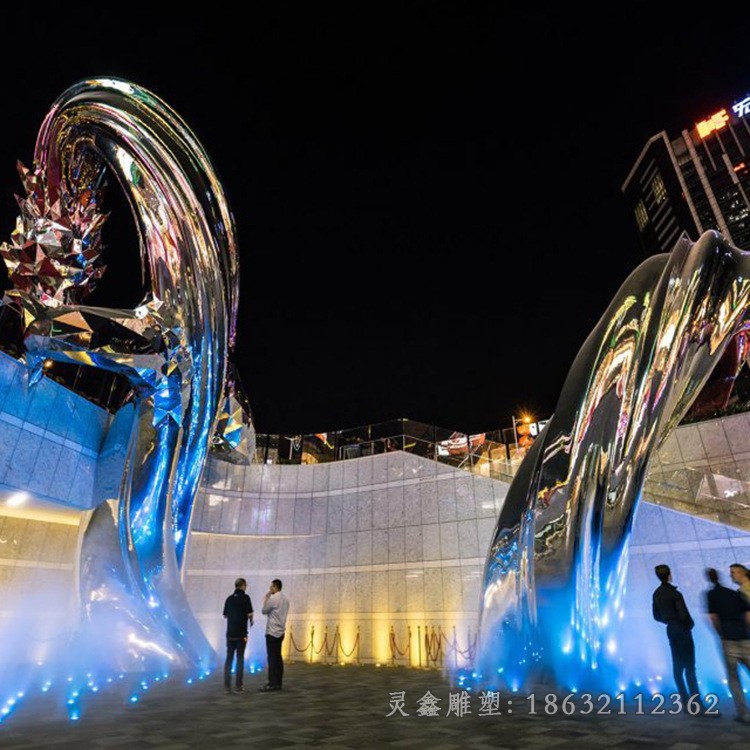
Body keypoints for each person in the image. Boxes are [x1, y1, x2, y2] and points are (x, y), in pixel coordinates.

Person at [705, 567, 750, 722]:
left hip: (728, 640)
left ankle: (744, 714)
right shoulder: (734, 594)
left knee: (733, 678)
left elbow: (713, 618)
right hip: (745, 638)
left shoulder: (711, 595)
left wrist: (721, 634)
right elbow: (748, 616)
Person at [652, 564, 701, 706]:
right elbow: (684, 614)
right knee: (690, 667)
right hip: (682, 629)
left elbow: (656, 616)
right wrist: (689, 625)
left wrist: (668, 621)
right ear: (669, 575)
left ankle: (685, 701)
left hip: (671, 629)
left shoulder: (656, 594)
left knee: (678, 666)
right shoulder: (675, 594)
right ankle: (696, 703)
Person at [223, 577, 253, 693]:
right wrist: (249, 619)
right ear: (243, 585)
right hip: (241, 634)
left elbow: (225, 615)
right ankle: (238, 686)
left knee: (229, 659)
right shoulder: (246, 598)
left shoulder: (229, 599)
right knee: (239, 659)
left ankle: (227, 687)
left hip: (230, 634)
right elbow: (250, 613)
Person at [259, 578, 290, 692]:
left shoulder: (273, 598)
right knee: (278, 657)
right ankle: (278, 682)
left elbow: (264, 610)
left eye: (271, 587)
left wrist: (266, 598)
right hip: (281, 632)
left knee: (272, 658)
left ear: (276, 587)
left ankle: (272, 683)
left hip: (272, 632)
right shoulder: (285, 599)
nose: (270, 588)